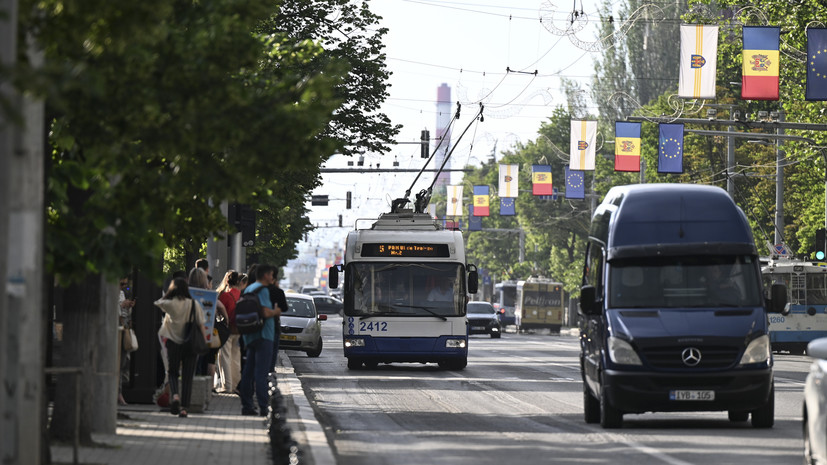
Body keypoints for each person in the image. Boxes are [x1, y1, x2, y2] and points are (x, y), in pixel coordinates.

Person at [155, 277, 207, 418]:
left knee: (172, 372)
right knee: (188, 375)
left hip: (173, 342)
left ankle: (175, 396)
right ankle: (184, 408)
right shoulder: (194, 304)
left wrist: (168, 294)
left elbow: (158, 302)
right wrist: (203, 342)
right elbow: (201, 325)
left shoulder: (170, 304)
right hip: (190, 343)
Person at [239, 264, 280, 416]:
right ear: (264, 275)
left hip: (249, 335)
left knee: (248, 372)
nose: (272, 278)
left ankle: (247, 406)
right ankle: (263, 407)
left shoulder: (248, 289)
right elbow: (265, 311)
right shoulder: (262, 290)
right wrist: (276, 311)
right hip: (264, 335)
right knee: (261, 373)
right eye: (270, 274)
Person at [189, 267, 228, 384]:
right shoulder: (209, 295)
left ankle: (187, 389)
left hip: (186, 332)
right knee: (201, 362)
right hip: (204, 332)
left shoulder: (187, 292)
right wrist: (226, 320)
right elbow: (221, 307)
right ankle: (200, 389)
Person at [215, 270, 243, 394]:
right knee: (236, 358)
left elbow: (219, 312)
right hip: (239, 329)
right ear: (238, 281)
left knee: (224, 357)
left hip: (227, 330)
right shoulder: (241, 295)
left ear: (227, 281)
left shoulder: (225, 296)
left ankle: (227, 386)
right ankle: (236, 384)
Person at [117, 277, 136, 406]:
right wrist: (121, 305)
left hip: (122, 328)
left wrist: (128, 306)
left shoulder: (122, 293)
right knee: (118, 362)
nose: (123, 286)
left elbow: (124, 313)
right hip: (116, 329)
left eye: (125, 284)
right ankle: (118, 394)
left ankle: (119, 393)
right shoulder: (113, 292)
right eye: (121, 284)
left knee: (123, 363)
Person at [267, 269, 288, 369]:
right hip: (271, 327)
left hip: (252, 328)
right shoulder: (277, 292)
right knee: (270, 356)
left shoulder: (252, 289)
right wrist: (274, 312)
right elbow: (284, 308)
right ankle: (268, 375)